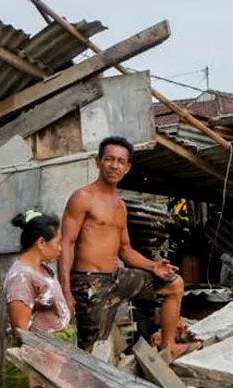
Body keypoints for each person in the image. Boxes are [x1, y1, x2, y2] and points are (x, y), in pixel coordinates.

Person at [59, 135, 200, 358]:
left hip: (117, 277)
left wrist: (153, 266)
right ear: (98, 162)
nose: (114, 165)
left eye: (120, 161)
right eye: (109, 159)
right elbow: (65, 243)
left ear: (127, 168)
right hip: (89, 281)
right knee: (90, 349)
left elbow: (125, 250)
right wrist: (65, 290)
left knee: (174, 284)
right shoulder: (83, 198)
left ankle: (168, 345)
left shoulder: (120, 206)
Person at [1, 210, 73, 388]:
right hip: (38, 364)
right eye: (57, 242)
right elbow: (21, 331)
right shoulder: (21, 278)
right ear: (41, 242)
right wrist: (35, 376)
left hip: (54, 357)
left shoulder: (42, 270)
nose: (60, 249)